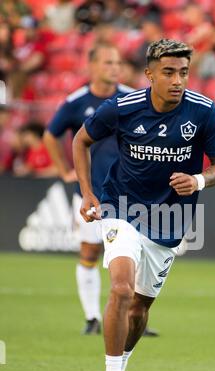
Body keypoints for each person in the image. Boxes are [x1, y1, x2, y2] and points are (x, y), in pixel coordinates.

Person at [73, 39, 215, 371]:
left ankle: (122, 361)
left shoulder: (204, 112)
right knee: (121, 286)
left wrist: (199, 181)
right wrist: (88, 193)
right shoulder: (122, 108)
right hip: (120, 207)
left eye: (184, 72)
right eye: (169, 72)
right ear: (149, 74)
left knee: (140, 307)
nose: (178, 80)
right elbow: (81, 140)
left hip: (169, 220)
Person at [44, 42, 158, 337]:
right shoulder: (76, 101)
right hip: (91, 192)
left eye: (117, 63)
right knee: (89, 251)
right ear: (92, 65)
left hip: (129, 192)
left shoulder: (131, 98)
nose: (114, 68)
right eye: (108, 62)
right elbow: (50, 135)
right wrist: (63, 169)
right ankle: (93, 317)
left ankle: (134, 314)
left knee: (135, 255)